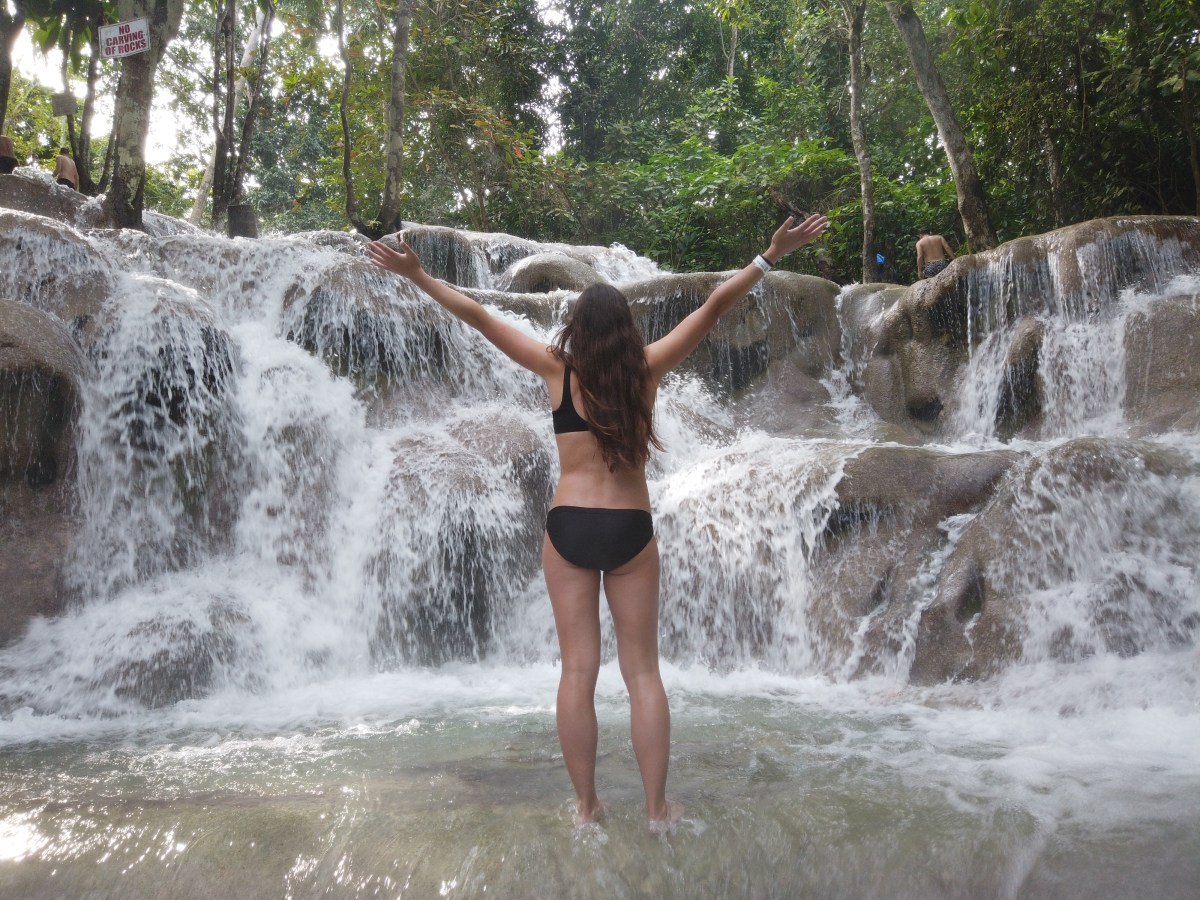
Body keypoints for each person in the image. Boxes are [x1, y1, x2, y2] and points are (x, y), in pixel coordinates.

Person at [365, 212, 829, 831]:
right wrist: (769, 256)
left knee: (578, 671)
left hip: (570, 529)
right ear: (628, 330)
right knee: (642, 674)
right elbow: (715, 307)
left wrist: (419, 274)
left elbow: (478, 317)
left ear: (577, 329)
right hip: (631, 531)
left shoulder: (558, 371)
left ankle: (586, 808)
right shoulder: (649, 368)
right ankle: (658, 810)